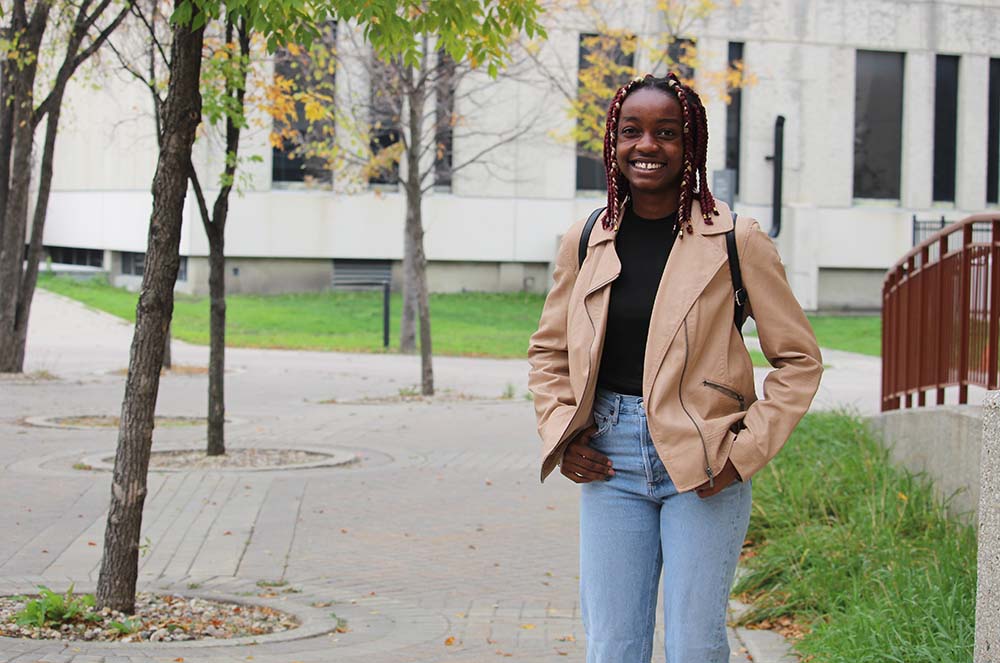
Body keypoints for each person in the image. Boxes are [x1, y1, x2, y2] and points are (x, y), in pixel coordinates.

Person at [527, 72, 823, 663]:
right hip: (611, 460)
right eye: (632, 130)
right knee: (614, 646)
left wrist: (744, 454)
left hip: (705, 457)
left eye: (667, 132)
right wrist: (562, 433)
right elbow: (549, 351)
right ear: (613, 141)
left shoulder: (737, 240)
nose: (647, 145)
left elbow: (798, 361)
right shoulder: (586, 239)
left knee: (694, 644)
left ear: (691, 146)